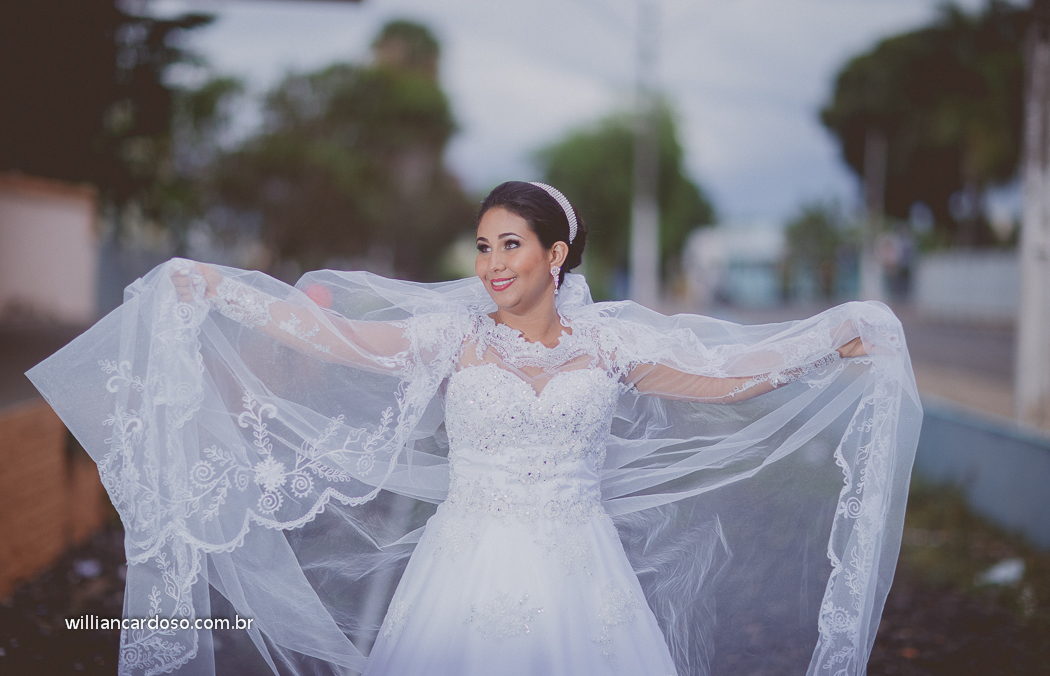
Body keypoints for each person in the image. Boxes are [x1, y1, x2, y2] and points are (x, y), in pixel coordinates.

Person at [28, 181, 921, 676]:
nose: (492, 263)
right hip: (464, 567)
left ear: (556, 255)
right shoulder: (452, 337)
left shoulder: (609, 345)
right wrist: (219, 288)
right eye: (484, 246)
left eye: (511, 245)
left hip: (582, 578)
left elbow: (722, 380)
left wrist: (830, 342)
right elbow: (336, 338)